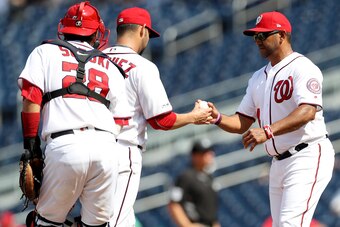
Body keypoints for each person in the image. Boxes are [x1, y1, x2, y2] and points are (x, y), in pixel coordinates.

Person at [207, 11, 335, 227]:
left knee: (289, 224)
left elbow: (308, 111)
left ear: (282, 35)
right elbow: (242, 122)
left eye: (263, 35)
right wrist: (217, 117)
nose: (258, 41)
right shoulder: (257, 78)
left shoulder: (302, 67)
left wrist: (267, 131)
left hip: (307, 154)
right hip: (278, 163)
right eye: (255, 37)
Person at [17, 1, 130, 226]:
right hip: (106, 149)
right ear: (97, 32)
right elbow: (121, 119)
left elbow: (31, 99)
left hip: (64, 144)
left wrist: (31, 148)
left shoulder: (44, 51)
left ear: (64, 28)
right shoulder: (110, 66)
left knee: (45, 221)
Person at [102, 7, 212, 227]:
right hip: (123, 150)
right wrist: (194, 116)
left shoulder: (95, 61)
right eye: (149, 35)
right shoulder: (142, 66)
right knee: (116, 222)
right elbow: (162, 120)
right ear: (142, 30)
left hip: (91, 147)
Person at [167, 139, 220, 227]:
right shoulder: (186, 177)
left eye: (210, 152)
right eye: (204, 153)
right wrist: (187, 225)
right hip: (197, 223)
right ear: (195, 156)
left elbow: (210, 209)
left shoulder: (209, 177)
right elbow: (174, 204)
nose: (210, 155)